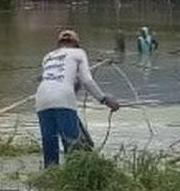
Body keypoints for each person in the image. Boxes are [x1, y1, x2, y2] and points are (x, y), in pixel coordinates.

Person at [34, 29, 120, 168]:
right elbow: (86, 81)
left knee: (49, 142)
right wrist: (104, 99)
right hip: (63, 98)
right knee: (72, 142)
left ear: (58, 44)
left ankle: (50, 173)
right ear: (76, 44)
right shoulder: (79, 53)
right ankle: (74, 172)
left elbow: (61, 77)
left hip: (41, 98)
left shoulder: (48, 56)